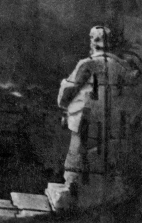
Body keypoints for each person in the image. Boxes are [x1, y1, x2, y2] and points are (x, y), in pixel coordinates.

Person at [57, 25, 139, 189]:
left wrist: (64, 105)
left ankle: (73, 186)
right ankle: (103, 188)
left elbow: (69, 90)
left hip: (86, 115)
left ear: (94, 42)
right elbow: (132, 85)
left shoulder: (88, 63)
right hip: (113, 118)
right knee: (107, 153)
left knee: (78, 152)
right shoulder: (122, 66)